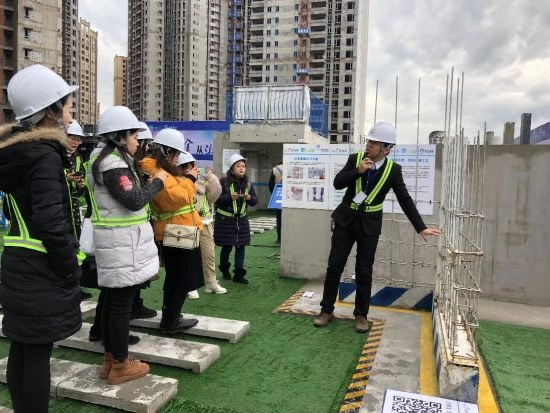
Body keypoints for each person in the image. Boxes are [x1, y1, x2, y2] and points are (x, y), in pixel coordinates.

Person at [0, 64, 82, 413]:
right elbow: (51, 223)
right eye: (66, 105)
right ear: (49, 111)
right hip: (40, 267)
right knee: (36, 354)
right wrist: (69, 268)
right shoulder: (44, 156)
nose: (70, 112)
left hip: (19, 264)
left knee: (22, 348)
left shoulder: (18, 153)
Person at [314, 121, 441, 333]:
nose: (369, 145)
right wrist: (358, 171)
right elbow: (338, 183)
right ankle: (326, 310)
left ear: (387, 148)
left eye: (375, 143)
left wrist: (420, 227)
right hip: (346, 220)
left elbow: (405, 199)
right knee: (334, 266)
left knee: (364, 270)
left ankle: (361, 315)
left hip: (370, 225)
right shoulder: (355, 159)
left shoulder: (393, 170)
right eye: (369, 141)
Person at [87, 106, 167, 384]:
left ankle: (111, 360)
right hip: (122, 244)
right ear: (119, 136)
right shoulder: (113, 164)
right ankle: (121, 364)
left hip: (118, 243)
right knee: (120, 304)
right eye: (134, 135)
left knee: (112, 301)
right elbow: (133, 201)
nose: (137, 141)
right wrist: (157, 183)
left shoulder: (107, 158)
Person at [140, 129, 203, 334]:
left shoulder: (159, 168)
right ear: (166, 152)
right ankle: (170, 321)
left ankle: (172, 316)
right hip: (175, 230)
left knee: (181, 276)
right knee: (180, 277)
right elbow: (179, 198)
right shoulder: (154, 169)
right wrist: (190, 179)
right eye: (176, 154)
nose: (177, 159)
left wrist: (185, 181)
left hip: (178, 228)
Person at [177, 153, 226, 298]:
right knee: (188, 256)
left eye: (192, 166)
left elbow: (213, 195)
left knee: (209, 254)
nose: (192, 169)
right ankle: (189, 285)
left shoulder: (202, 181)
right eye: (187, 166)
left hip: (205, 222)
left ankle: (211, 282)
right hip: (186, 223)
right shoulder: (178, 182)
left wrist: (211, 178)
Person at [214, 154, 258, 284]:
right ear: (232, 168)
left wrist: (250, 198)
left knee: (241, 247)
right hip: (226, 221)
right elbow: (216, 199)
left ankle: (239, 274)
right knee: (226, 247)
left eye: (243, 166)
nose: (241, 168)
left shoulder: (248, 183)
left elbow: (255, 201)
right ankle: (224, 269)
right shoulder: (223, 182)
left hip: (242, 221)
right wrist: (229, 197)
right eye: (238, 166)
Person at [65, 120, 95, 301]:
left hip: (73, 209)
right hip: (59, 208)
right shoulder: (54, 156)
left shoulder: (77, 159)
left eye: (78, 139)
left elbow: (78, 191)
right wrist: (65, 178)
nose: (76, 143)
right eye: (72, 138)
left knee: (75, 247)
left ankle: (75, 286)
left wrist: (79, 185)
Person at [268, 161, 283, 243]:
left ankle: (280, 238)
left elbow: (270, 185)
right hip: (291, 196)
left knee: (279, 218)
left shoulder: (275, 169)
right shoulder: (292, 166)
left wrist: (274, 194)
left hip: (278, 196)